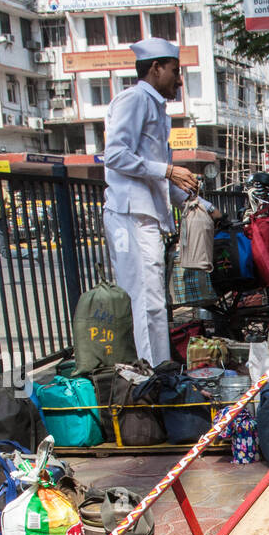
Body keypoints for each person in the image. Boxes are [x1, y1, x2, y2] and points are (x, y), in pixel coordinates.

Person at [103, 37, 202, 367]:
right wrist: (170, 170)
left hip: (146, 216)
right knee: (144, 302)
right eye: (175, 71)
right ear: (156, 68)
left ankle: (160, 372)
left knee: (155, 302)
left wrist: (190, 198)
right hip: (130, 215)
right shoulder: (133, 100)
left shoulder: (157, 109)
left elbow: (157, 173)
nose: (179, 79)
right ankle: (152, 378)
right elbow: (116, 155)